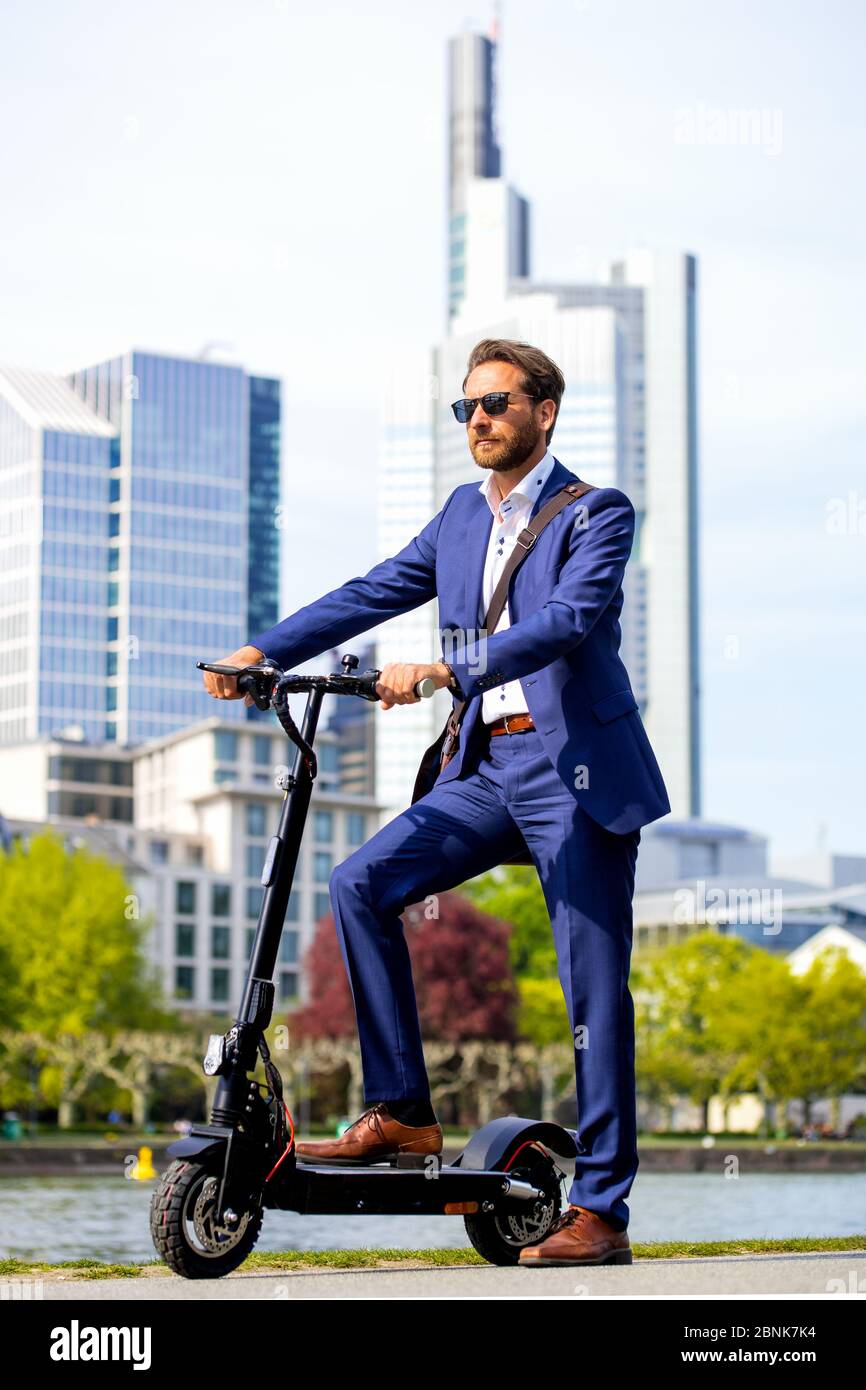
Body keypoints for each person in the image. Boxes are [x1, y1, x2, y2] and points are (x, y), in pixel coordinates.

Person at [202, 338, 671, 1266]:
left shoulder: (596, 514)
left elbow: (567, 624)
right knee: (362, 881)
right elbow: (374, 590)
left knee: (592, 992)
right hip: (483, 771)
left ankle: (603, 1212)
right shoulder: (460, 516)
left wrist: (446, 667)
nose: (480, 422)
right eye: (467, 409)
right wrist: (266, 653)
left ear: (544, 410)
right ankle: (404, 1114)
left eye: (496, 404)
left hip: (572, 774)